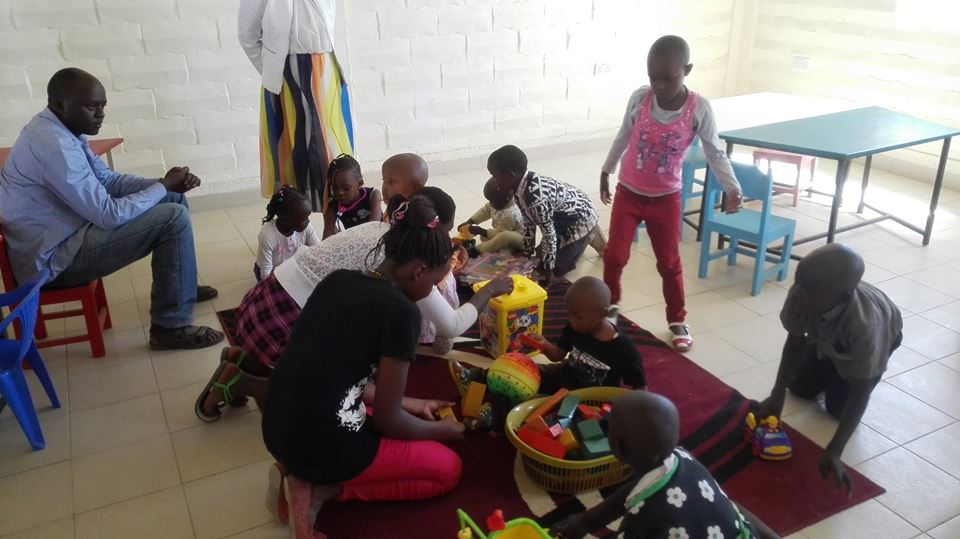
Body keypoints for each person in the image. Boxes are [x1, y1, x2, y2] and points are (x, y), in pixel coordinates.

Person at [195, 187, 512, 421]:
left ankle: (240, 359)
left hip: (262, 303)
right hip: (286, 320)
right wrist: (490, 290)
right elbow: (451, 326)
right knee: (318, 394)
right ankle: (242, 382)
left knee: (321, 364)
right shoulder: (410, 268)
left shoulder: (380, 232)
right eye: (443, 237)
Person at [261, 195, 465, 537]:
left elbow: (334, 378)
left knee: (359, 407)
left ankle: (301, 472)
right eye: (433, 282)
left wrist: (413, 404)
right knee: (447, 470)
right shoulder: (403, 314)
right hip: (322, 443)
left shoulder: (338, 280)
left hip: (277, 426)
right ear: (418, 271)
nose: (431, 290)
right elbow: (388, 421)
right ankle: (324, 487)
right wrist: (441, 431)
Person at [0, 68, 223, 351]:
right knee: (173, 218)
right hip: (54, 262)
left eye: (103, 106)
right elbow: (108, 214)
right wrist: (164, 185)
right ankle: (170, 328)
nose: (100, 115)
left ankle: (182, 288)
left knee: (173, 199)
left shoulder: (61, 130)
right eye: (91, 106)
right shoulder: (55, 145)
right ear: (59, 103)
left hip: (66, 237)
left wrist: (164, 184)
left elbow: (107, 181)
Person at [600, 35, 744, 353]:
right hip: (629, 192)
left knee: (669, 263)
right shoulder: (640, 98)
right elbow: (623, 135)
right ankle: (610, 307)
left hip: (666, 199)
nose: (660, 86)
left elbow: (714, 152)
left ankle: (677, 319)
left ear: (687, 70)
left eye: (669, 78)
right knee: (614, 256)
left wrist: (732, 187)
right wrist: (606, 170)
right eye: (654, 78)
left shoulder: (699, 108)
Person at [758, 243, 902, 495]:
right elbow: (794, 341)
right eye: (798, 280)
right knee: (799, 387)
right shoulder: (804, 293)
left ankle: (838, 367)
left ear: (842, 298)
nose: (798, 292)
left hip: (875, 340)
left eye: (809, 290)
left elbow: (861, 390)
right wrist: (777, 393)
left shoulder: (866, 328)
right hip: (826, 333)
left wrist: (835, 450)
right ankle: (831, 362)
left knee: (838, 408)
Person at [551, 391, 778, 539]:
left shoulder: (644, 515)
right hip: (741, 533)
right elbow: (635, 490)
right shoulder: (682, 456)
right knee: (732, 506)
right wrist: (585, 521)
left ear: (617, 446)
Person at [450, 276, 646, 403]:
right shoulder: (574, 328)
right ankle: (474, 377)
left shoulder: (623, 349)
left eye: (578, 316)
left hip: (590, 400)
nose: (571, 321)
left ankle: (492, 414)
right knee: (521, 372)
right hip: (563, 376)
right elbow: (557, 355)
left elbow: (640, 388)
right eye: (569, 314)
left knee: (534, 403)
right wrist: (544, 345)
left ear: (602, 314)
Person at [238, 0, 353, 211]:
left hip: (326, 71)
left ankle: (334, 214)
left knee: (329, 148)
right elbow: (247, 35)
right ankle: (296, 217)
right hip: (288, 77)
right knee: (295, 148)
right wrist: (272, 70)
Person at [489, 145, 599, 285]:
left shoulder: (535, 198)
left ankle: (587, 237)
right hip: (559, 218)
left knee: (556, 268)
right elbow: (528, 222)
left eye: (495, 176)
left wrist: (549, 271)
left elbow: (549, 234)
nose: (494, 181)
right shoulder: (519, 187)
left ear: (510, 176)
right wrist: (526, 254)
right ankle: (562, 245)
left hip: (580, 218)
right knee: (538, 261)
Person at [255, 186, 320, 280]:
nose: (308, 221)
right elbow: (266, 273)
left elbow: (318, 250)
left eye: (307, 217)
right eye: (303, 219)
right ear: (285, 219)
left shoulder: (307, 227)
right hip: (272, 271)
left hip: (294, 265)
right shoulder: (267, 236)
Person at [458, 178, 524, 258]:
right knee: (484, 236)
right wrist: (469, 222)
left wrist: (481, 231)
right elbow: (485, 211)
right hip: (503, 233)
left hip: (520, 240)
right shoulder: (499, 203)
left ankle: (476, 251)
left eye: (492, 201)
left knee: (503, 237)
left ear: (505, 200)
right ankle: (491, 247)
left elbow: (501, 234)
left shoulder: (510, 214)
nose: (490, 204)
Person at [322, 154, 382, 239]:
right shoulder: (334, 204)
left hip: (379, 240)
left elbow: (373, 229)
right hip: (355, 242)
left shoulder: (373, 195)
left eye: (346, 188)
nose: (340, 193)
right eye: (335, 188)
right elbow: (327, 234)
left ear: (359, 184)